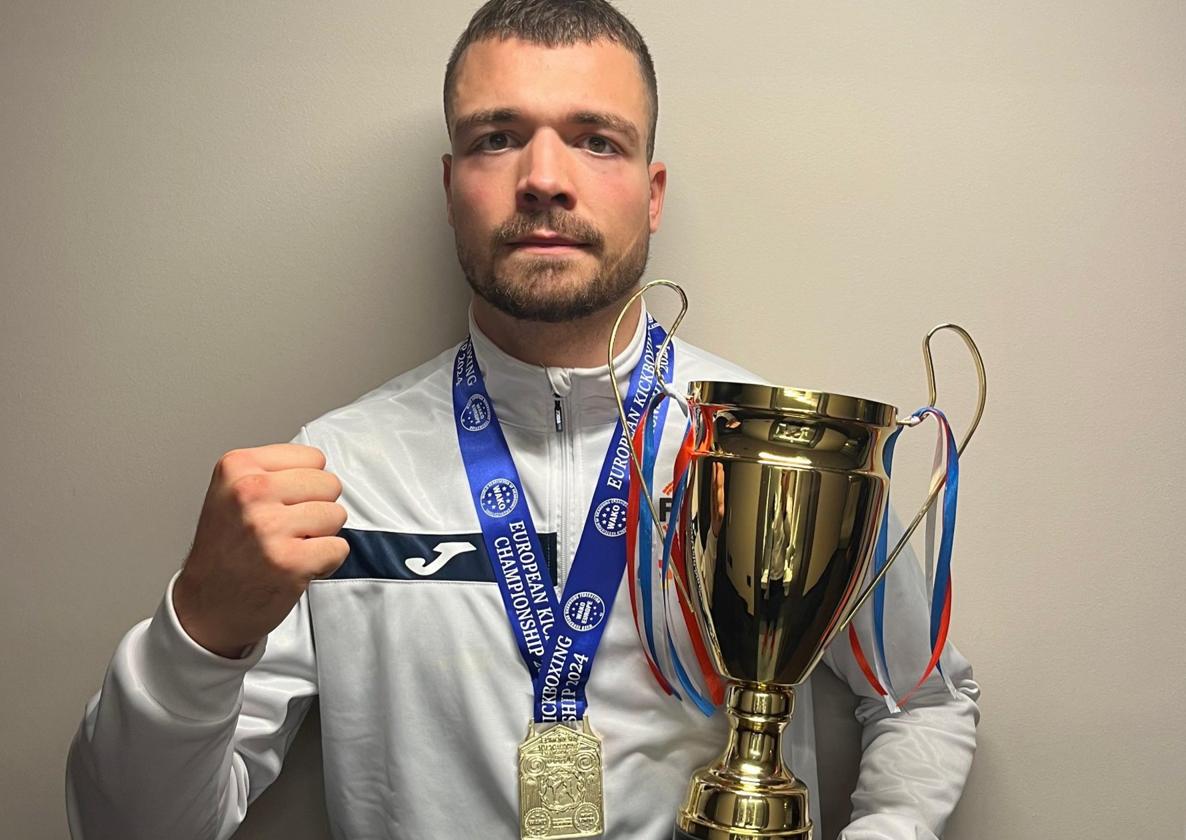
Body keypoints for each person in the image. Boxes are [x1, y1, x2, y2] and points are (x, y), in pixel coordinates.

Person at [65, 2, 980, 838]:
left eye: (597, 141)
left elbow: (924, 699)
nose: (545, 179)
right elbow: (132, 829)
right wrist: (199, 629)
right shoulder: (337, 473)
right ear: (451, 182)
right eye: (498, 138)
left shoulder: (774, 451)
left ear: (652, 193)